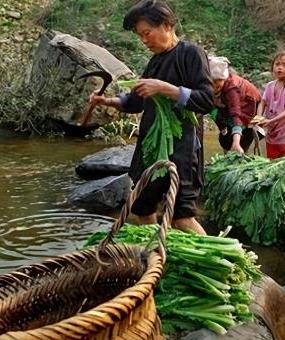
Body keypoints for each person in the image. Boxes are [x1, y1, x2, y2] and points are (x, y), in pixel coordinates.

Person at [88, 0, 213, 235]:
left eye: (147, 33)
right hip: (152, 148)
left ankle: (225, 262)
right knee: (142, 207)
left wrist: (165, 88)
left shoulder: (190, 54)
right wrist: (107, 101)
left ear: (167, 25)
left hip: (183, 151)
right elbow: (136, 102)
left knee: (181, 217)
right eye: (140, 35)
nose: (144, 40)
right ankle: (159, 252)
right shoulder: (155, 61)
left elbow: (206, 100)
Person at [209, 56, 262, 154]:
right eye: (213, 81)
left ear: (224, 78)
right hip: (228, 111)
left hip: (252, 111)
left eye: (219, 81)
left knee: (243, 139)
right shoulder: (208, 86)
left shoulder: (232, 88)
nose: (215, 85)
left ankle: (240, 151)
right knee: (225, 139)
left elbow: (236, 114)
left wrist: (236, 142)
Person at [256, 50, 285, 159]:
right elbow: (263, 102)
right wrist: (259, 117)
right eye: (277, 64)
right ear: (272, 67)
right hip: (271, 134)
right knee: (272, 163)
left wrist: (270, 121)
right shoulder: (270, 85)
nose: (280, 67)